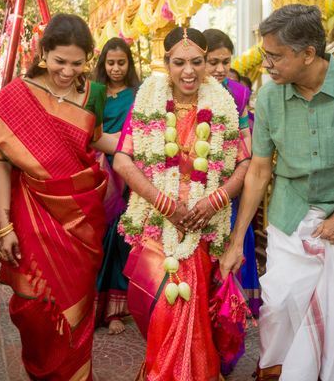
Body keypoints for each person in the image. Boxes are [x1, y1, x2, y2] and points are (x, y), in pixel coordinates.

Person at [220, 4, 334, 381]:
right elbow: (259, 168)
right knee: (280, 303)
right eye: (265, 54)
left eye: (275, 56)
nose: (266, 64)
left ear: (308, 54)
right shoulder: (270, 97)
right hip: (290, 212)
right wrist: (237, 240)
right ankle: (277, 371)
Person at [0, 14, 112, 380]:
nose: (67, 71)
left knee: (77, 310)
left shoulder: (93, 93)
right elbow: (2, 161)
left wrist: (144, 143)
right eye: (59, 61)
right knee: (33, 309)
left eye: (77, 63)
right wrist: (4, 227)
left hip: (80, 221)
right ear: (43, 52)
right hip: (31, 213)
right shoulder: (19, 94)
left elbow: (93, 140)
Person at [113, 27, 250, 380]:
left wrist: (215, 200)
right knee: (162, 309)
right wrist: (165, 203)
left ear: (206, 63)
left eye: (196, 62)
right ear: (166, 63)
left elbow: (244, 163)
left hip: (204, 226)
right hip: (159, 225)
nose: (188, 71)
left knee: (196, 310)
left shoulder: (223, 104)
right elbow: (122, 161)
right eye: (179, 62)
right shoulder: (146, 102)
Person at [203, 28, 261, 317]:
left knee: (234, 242)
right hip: (198, 185)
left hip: (232, 185)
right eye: (213, 61)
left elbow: (245, 138)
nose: (220, 69)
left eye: (226, 62)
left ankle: (229, 319)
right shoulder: (189, 89)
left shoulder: (238, 92)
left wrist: (247, 171)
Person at [93, 37, 140, 335]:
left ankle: (115, 312)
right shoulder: (94, 92)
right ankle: (92, 305)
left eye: (121, 62)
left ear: (129, 64)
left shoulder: (137, 95)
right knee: (96, 238)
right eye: (110, 63)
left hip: (125, 174)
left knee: (120, 240)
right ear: (103, 64)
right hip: (96, 173)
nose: (116, 68)